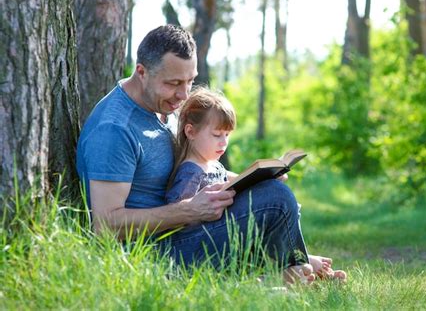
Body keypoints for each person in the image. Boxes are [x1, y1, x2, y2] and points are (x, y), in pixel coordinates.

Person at [76, 24, 345, 284]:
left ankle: (292, 267)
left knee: (271, 191)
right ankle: (289, 269)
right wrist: (189, 211)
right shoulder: (114, 129)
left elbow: (196, 164)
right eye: (174, 83)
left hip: (182, 230)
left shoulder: (163, 107)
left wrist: (254, 178)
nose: (183, 95)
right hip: (153, 252)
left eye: (190, 81)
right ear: (142, 72)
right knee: (275, 199)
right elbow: (105, 225)